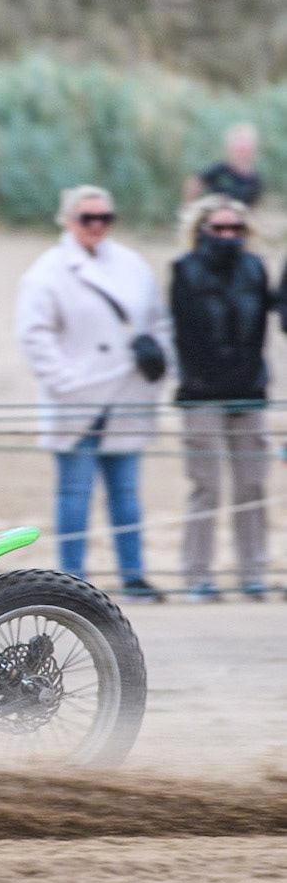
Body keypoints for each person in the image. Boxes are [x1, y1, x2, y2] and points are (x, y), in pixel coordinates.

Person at [16, 185, 170, 602]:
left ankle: (134, 575)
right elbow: (34, 336)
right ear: (68, 220)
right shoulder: (47, 271)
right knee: (74, 493)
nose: (97, 226)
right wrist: (66, 382)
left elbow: (158, 321)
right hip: (79, 397)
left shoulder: (133, 265)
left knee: (126, 492)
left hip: (127, 391)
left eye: (105, 218)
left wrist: (157, 355)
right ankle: (74, 581)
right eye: (88, 218)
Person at [171, 195, 272, 601]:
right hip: (202, 394)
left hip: (249, 393)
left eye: (236, 229)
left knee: (251, 486)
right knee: (206, 488)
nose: (228, 236)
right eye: (219, 229)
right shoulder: (184, 270)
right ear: (201, 230)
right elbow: (183, 334)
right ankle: (198, 576)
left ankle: (254, 572)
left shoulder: (255, 269)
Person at [182, 122, 262, 207]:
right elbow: (194, 183)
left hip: (238, 216)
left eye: (245, 148)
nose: (242, 151)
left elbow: (251, 206)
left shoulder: (255, 179)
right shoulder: (218, 169)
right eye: (239, 147)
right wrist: (188, 206)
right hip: (214, 212)